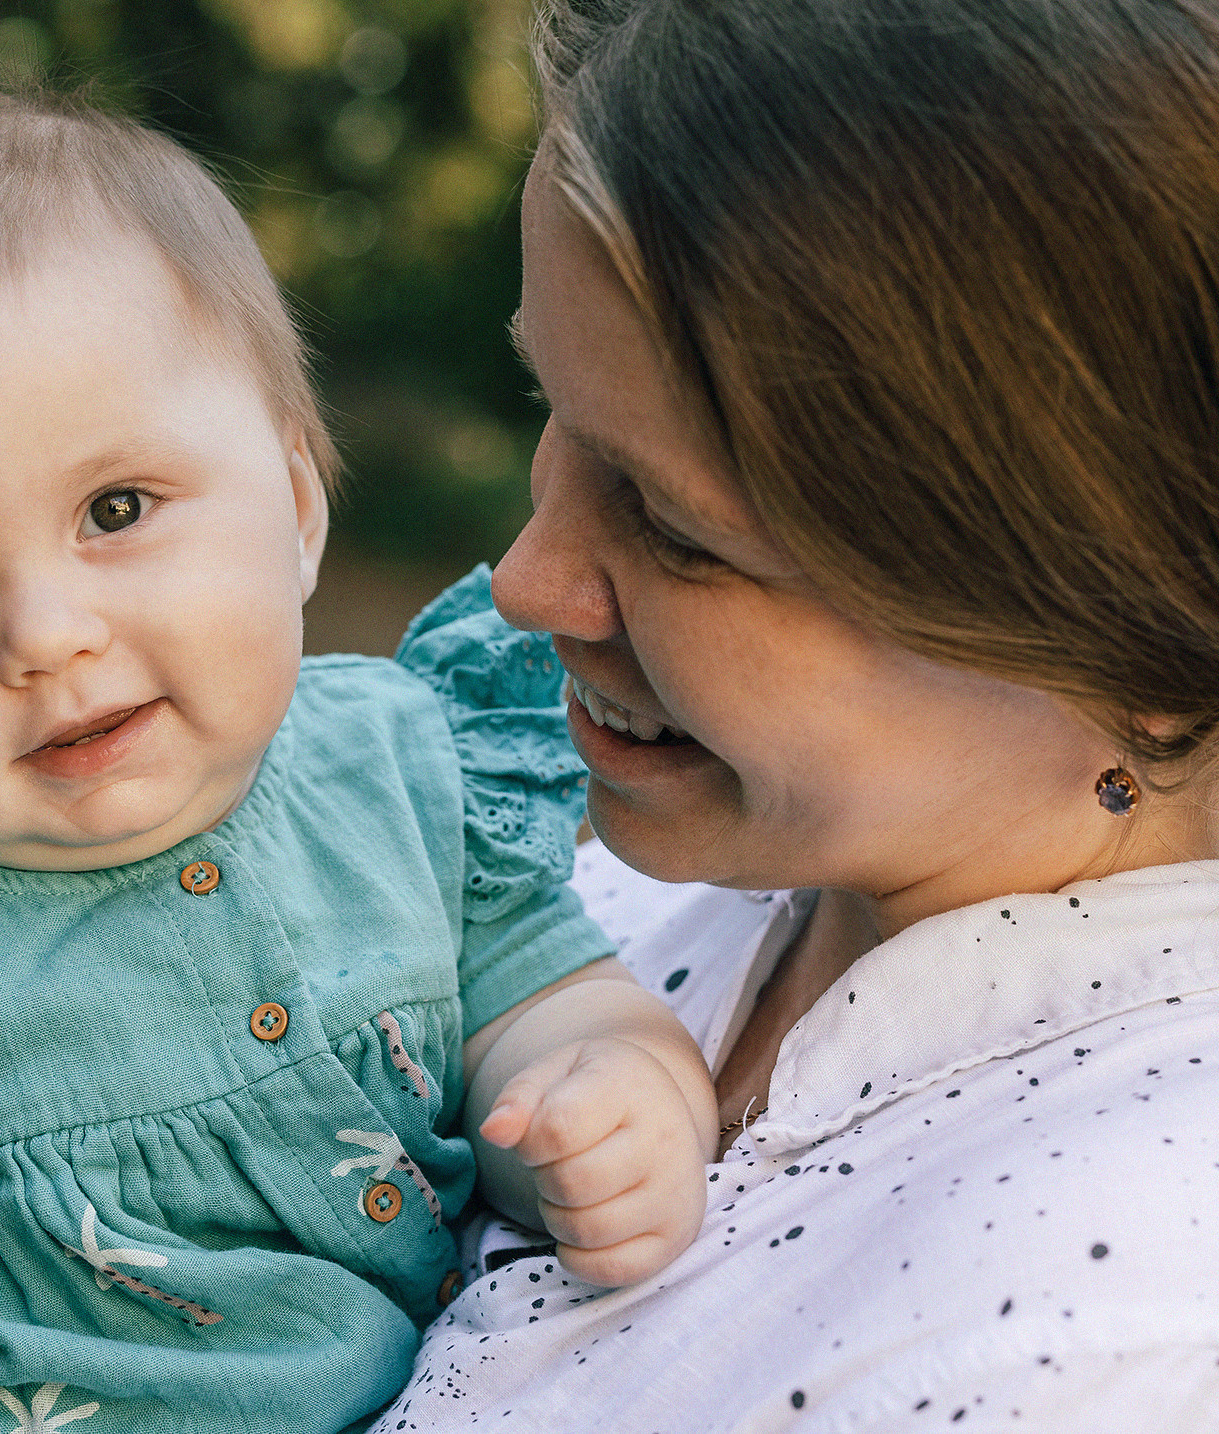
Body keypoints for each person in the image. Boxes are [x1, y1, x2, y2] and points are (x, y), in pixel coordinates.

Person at [0, 86, 719, 1434]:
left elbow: (555, 1010)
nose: (45, 634)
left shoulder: (402, 772)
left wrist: (612, 1099)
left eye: (115, 509)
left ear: (298, 506)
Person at [375, 1, 1219, 1428]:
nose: (524, 583)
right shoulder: (548, 822)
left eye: (675, 526)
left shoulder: (1110, 1329)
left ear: (1141, 632)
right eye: (553, 406)